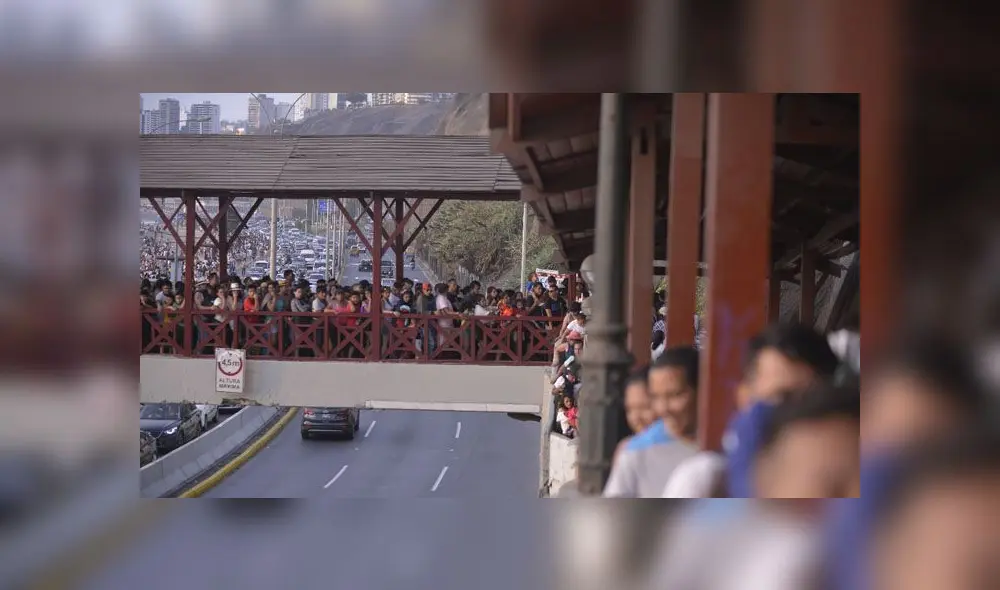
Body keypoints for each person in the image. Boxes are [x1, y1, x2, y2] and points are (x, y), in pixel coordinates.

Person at [603, 347, 701, 497]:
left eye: (674, 395)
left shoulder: (729, 444)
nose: (663, 408)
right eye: (656, 397)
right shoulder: (635, 453)